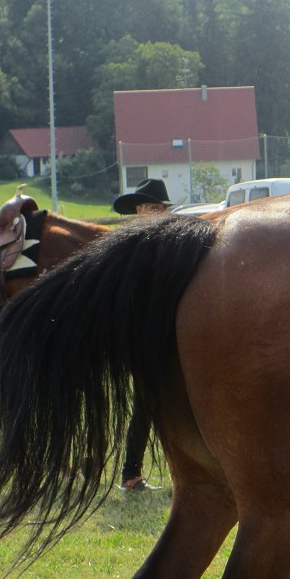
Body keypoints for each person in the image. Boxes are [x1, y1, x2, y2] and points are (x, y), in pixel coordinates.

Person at [111, 178, 172, 491]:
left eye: (161, 207)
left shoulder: (167, 241)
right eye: (152, 207)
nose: (158, 212)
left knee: (160, 404)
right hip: (142, 336)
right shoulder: (130, 246)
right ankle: (130, 474)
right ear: (138, 209)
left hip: (166, 333)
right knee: (145, 405)